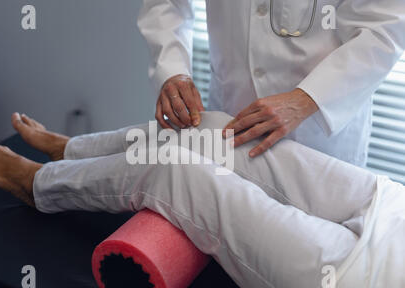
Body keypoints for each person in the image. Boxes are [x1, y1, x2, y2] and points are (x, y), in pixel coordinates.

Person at [0, 111, 404, 288]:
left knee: (175, 171)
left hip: (364, 284)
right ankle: (72, 150)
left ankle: (39, 186)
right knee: (219, 129)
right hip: (391, 207)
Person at [138, 0, 405, 165]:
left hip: (318, 131)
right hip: (230, 112)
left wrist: (308, 98)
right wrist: (172, 70)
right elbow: (167, 3)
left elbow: (383, 29)